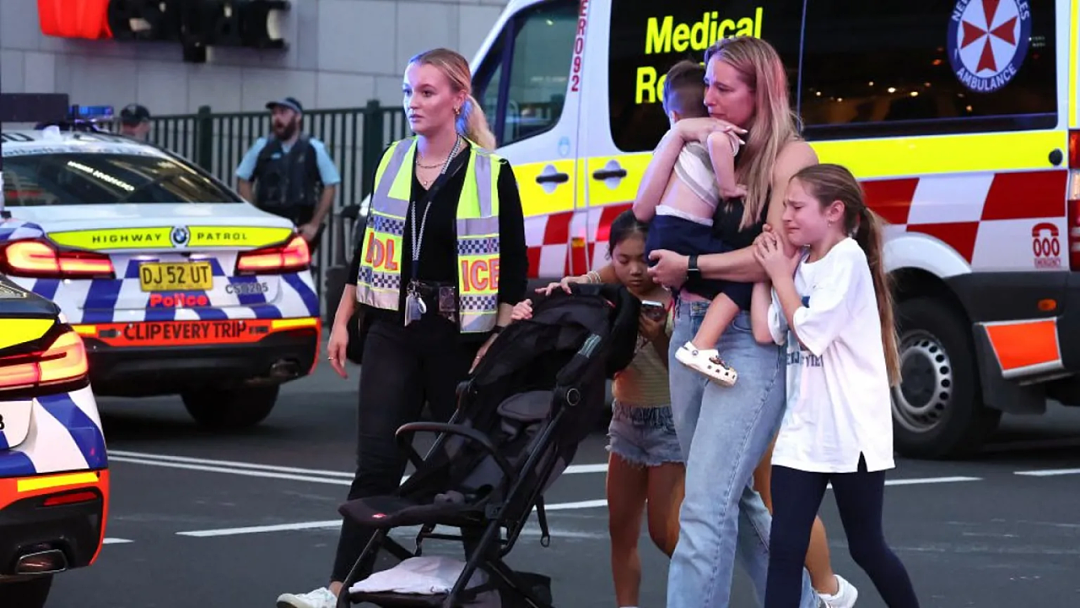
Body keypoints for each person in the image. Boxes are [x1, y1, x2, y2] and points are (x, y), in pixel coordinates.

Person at [546, 36, 857, 608]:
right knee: (730, 499)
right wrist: (676, 134)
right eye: (707, 84)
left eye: (722, 88)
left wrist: (690, 264)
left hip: (746, 343)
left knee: (705, 505)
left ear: (760, 92)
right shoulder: (703, 138)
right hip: (690, 325)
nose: (707, 97)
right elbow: (645, 211)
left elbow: (773, 256)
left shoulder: (792, 158)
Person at [275, 47, 528, 608]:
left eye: (427, 92)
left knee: (464, 464)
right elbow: (366, 251)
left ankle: (479, 584)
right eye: (409, 91)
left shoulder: (492, 172)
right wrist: (340, 321)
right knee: (377, 464)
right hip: (391, 328)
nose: (413, 102)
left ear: (459, 99)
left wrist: (497, 342)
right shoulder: (392, 159)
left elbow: (514, 269)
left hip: (458, 337)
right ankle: (339, 589)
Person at [752, 163, 919, 608]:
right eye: (785, 205)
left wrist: (780, 276)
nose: (786, 215)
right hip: (803, 431)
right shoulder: (801, 263)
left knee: (866, 547)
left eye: (796, 206)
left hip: (851, 434)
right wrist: (766, 268)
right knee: (785, 549)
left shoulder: (847, 260)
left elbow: (809, 331)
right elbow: (767, 329)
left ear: (834, 211)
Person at [512, 210, 684, 608]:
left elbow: (687, 371)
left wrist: (660, 339)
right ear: (611, 257)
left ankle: (707, 581)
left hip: (670, 423)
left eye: (645, 258)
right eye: (624, 261)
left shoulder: (676, 295)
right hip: (625, 423)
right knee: (620, 531)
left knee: (664, 532)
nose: (636, 270)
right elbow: (573, 290)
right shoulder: (612, 285)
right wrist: (546, 298)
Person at [631, 59, 749, 388]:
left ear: (674, 114)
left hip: (665, 231)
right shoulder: (714, 133)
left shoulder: (677, 143)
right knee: (744, 279)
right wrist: (729, 188)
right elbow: (641, 209)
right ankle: (702, 346)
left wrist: (678, 132)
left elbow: (642, 209)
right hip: (684, 230)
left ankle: (700, 342)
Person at [236, 96, 341, 255]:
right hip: (268, 224)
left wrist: (314, 224)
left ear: (297, 117)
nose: (277, 118)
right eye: (274, 113)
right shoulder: (262, 146)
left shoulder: (313, 147)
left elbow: (330, 185)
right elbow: (243, 179)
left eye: (283, 113)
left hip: (300, 226)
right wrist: (255, 216)